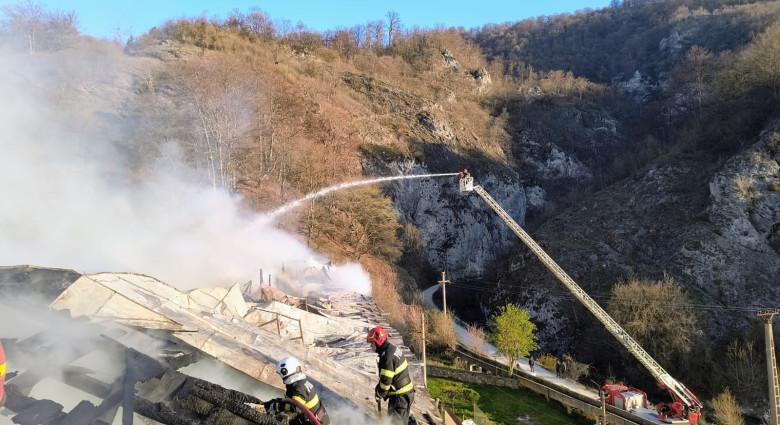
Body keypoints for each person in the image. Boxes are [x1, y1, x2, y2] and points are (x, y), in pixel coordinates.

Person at [367, 326, 414, 425]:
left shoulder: (387, 358)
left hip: (400, 397)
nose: (371, 346)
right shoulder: (391, 349)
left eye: (372, 343)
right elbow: (387, 378)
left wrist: (379, 394)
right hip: (403, 394)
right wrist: (379, 388)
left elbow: (386, 383)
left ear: (378, 342)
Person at [264, 356, 331, 425]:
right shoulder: (302, 382)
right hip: (319, 420)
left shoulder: (298, 388)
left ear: (285, 372)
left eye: (281, 374)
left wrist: (277, 406)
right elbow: (293, 403)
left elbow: (295, 407)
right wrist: (277, 402)